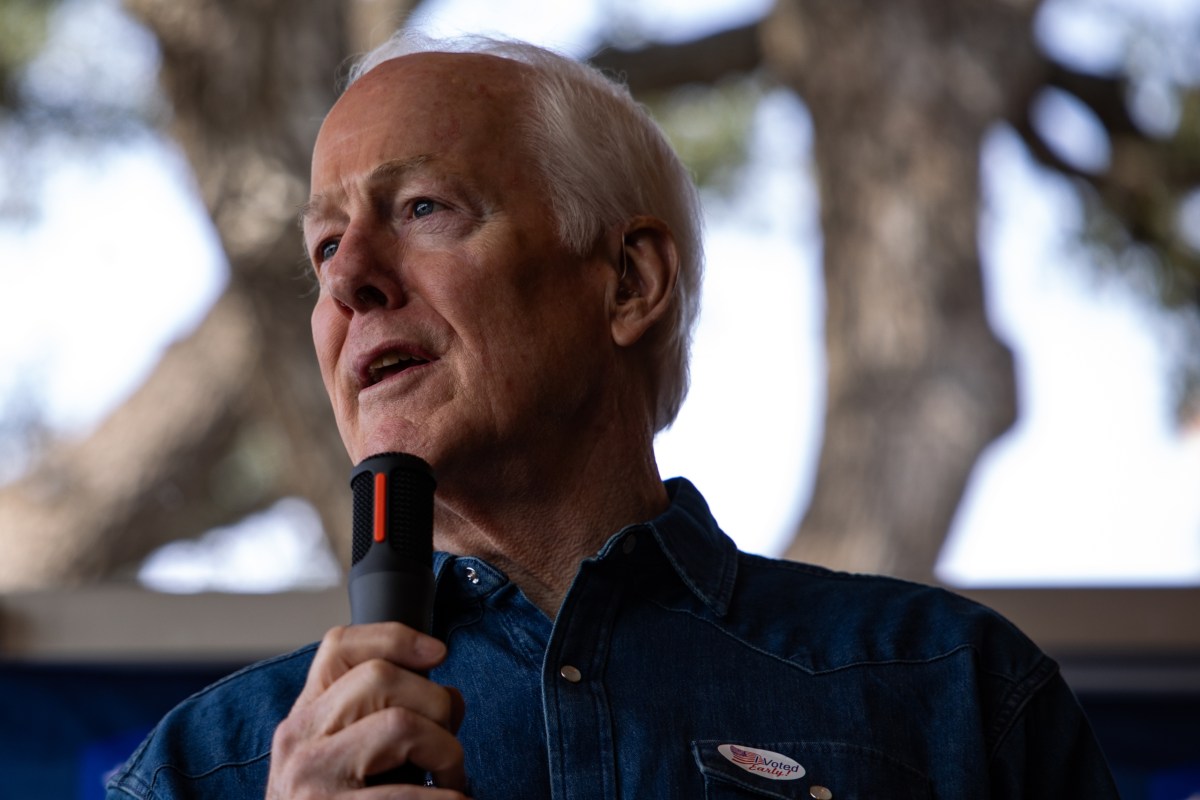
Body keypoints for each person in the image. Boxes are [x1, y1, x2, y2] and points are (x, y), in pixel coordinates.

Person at [106, 31, 1119, 800]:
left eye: (421, 209)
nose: (351, 282)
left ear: (629, 281)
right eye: (325, 247)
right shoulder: (208, 766)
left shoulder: (952, 697)